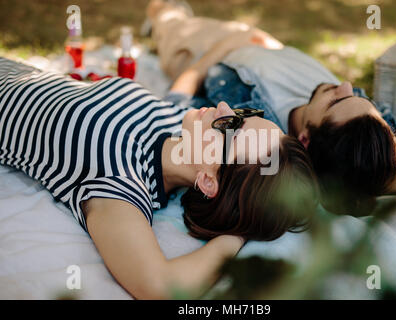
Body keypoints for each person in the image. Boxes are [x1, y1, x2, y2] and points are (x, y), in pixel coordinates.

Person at [0, 49, 317, 298]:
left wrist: (237, 235)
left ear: (208, 180)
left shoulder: (119, 177)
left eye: (231, 126)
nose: (223, 107)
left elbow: (159, 286)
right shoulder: (181, 123)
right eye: (244, 114)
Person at [145, 0, 396, 215]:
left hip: (210, 51)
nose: (345, 85)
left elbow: (180, 104)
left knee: (167, 14)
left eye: (338, 100)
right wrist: (382, 180)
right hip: (265, 44)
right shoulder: (369, 129)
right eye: (361, 96)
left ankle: (161, 18)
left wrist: (224, 47)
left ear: (305, 138)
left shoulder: (253, 132)